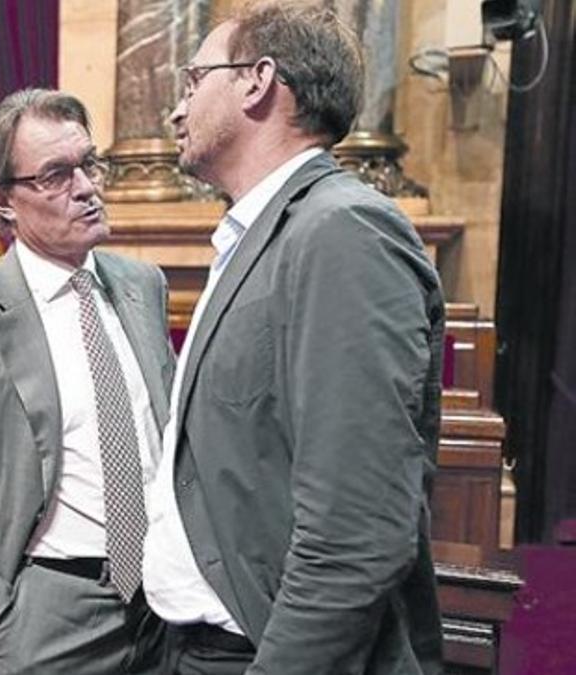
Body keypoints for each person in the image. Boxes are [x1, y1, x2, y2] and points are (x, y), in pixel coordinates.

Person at [141, 2, 445, 674]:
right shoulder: (270, 232)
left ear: (257, 81)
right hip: (197, 645)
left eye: (194, 81)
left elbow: (358, 530)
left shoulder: (342, 233)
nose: (176, 109)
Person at [0, 88, 176, 675]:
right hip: (45, 608)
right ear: (2, 200)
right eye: (55, 175)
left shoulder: (144, 287)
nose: (88, 188)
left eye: (90, 164)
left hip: (161, 607)